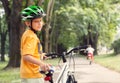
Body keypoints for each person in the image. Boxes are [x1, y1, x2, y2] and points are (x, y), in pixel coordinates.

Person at [20, 5, 50, 83]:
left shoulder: (28, 34)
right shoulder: (31, 36)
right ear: (27, 23)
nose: (40, 23)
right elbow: (26, 56)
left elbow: (31, 53)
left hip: (28, 74)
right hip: (32, 75)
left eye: (40, 20)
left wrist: (41, 55)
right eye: (36, 21)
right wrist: (41, 64)